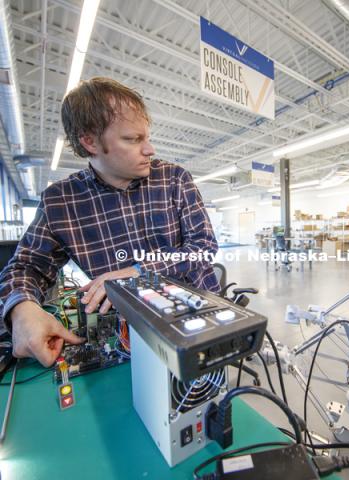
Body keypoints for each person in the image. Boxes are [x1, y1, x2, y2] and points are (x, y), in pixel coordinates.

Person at [0, 77, 220, 367]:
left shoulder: (174, 179)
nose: (150, 149)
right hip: (128, 338)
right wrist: (22, 310)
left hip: (197, 321)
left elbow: (203, 247)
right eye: (133, 139)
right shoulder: (60, 202)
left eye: (147, 136)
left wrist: (135, 273)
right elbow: (25, 267)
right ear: (90, 141)